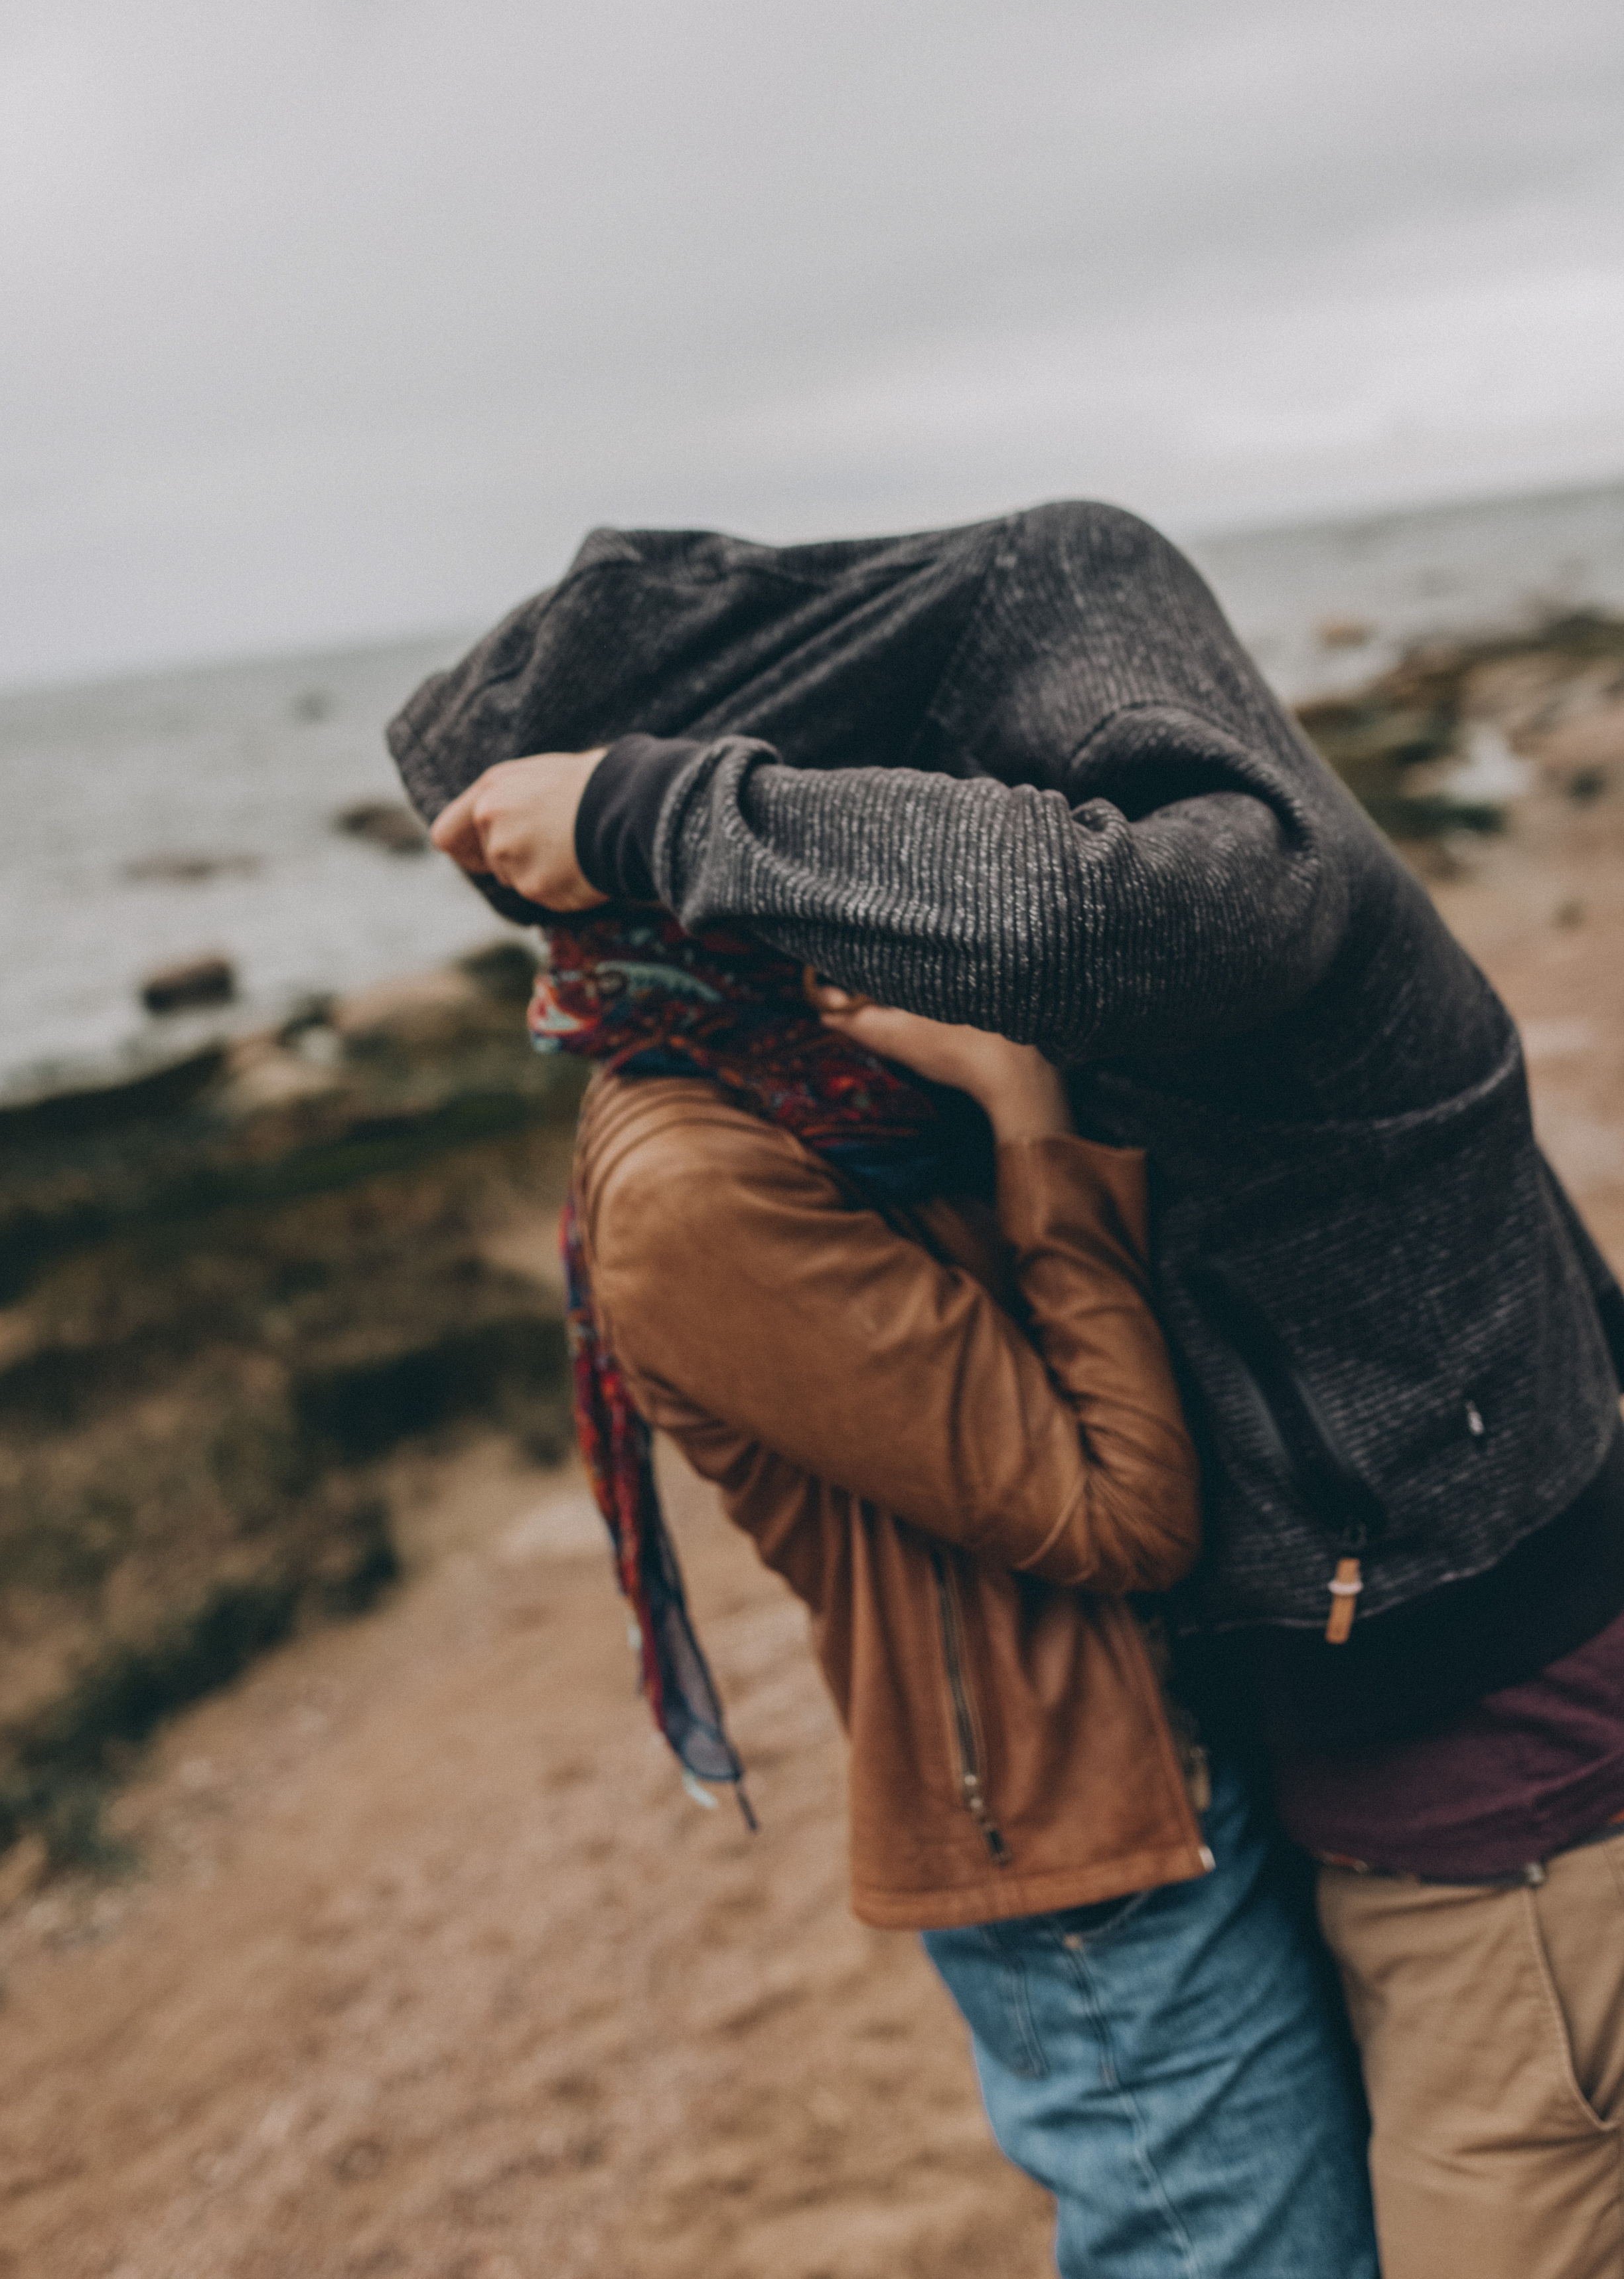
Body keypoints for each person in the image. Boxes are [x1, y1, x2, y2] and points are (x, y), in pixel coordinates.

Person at [392, 498, 1624, 2277]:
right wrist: (1032, 1123)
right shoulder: (733, 1163)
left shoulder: (1111, 975)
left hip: (1419, 1775)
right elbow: (1116, 1495)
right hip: (1110, 1846)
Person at [525, 898, 1380, 2278]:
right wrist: (1024, 1109)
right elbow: (1117, 1509)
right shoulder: (699, 1183)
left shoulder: (827, 1086)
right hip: (1082, 1841)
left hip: (1166, 1754)